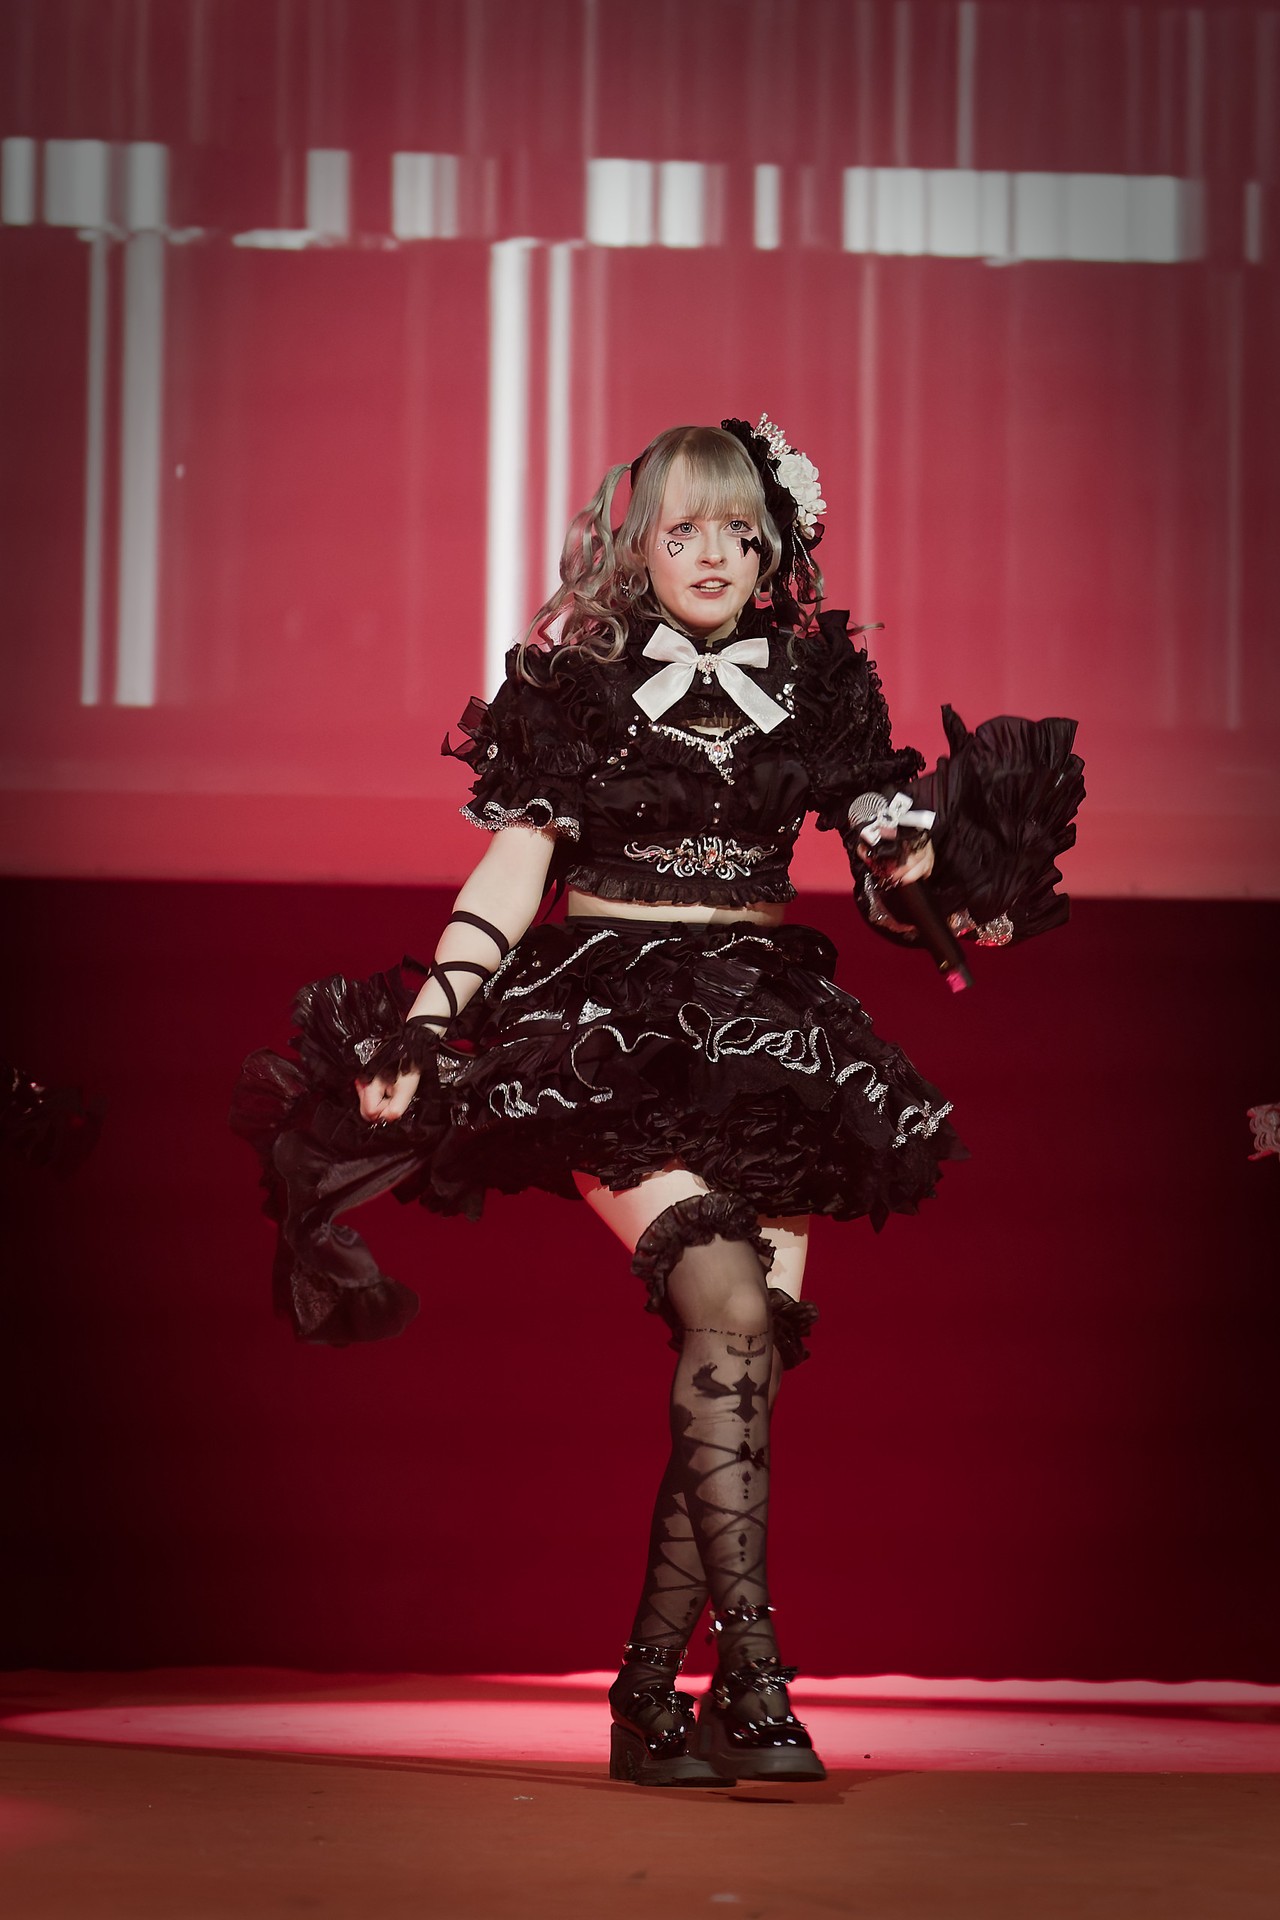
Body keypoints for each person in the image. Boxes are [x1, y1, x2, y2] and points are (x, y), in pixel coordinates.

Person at [234, 416, 1083, 1789]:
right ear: (637, 545)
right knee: (727, 1309)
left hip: (777, 1032)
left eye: (736, 530)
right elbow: (513, 873)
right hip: (608, 1029)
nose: (709, 554)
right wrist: (431, 1019)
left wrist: (917, 866)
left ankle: (645, 1696)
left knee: (740, 1371)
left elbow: (885, 873)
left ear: (773, 550)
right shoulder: (572, 689)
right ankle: (756, 1674)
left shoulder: (821, 688)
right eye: (681, 529)